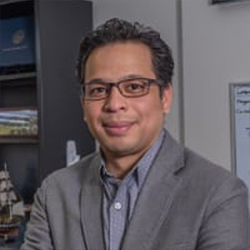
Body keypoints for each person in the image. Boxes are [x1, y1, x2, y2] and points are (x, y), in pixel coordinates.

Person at [21, 18, 250, 250]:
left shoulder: (219, 194)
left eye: (134, 87)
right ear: (83, 104)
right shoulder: (55, 193)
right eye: (99, 90)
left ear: (165, 98)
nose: (114, 104)